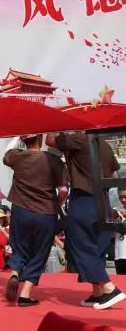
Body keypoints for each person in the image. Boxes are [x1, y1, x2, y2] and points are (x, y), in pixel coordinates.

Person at [47, 131, 124, 310]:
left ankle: (109, 288)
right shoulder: (104, 144)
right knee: (97, 246)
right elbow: (112, 172)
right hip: (103, 199)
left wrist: (53, 127)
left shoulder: (79, 139)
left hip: (84, 198)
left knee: (80, 245)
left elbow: (51, 141)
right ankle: (98, 293)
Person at [2, 134, 66, 306]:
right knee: (40, 252)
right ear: (40, 138)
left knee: (19, 247)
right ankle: (25, 293)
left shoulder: (17, 157)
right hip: (45, 212)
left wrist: (17, 137)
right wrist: (56, 204)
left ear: (24, 141)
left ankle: (15, 274)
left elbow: (6, 153)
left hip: (21, 210)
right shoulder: (53, 160)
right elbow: (63, 191)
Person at [115, 187, 126, 276]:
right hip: (119, 255)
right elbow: (111, 235)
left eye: (125, 197)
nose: (123, 200)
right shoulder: (116, 212)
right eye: (120, 197)